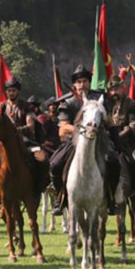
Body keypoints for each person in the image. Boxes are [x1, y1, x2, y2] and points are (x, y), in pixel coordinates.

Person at [48, 64, 109, 215]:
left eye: (85, 81)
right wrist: (81, 130)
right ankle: (59, 198)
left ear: (89, 82)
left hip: (98, 140)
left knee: (114, 162)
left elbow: (107, 121)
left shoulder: (99, 98)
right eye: (79, 82)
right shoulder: (68, 102)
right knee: (55, 164)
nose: (82, 84)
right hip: (75, 142)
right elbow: (63, 126)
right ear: (75, 84)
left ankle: (111, 198)